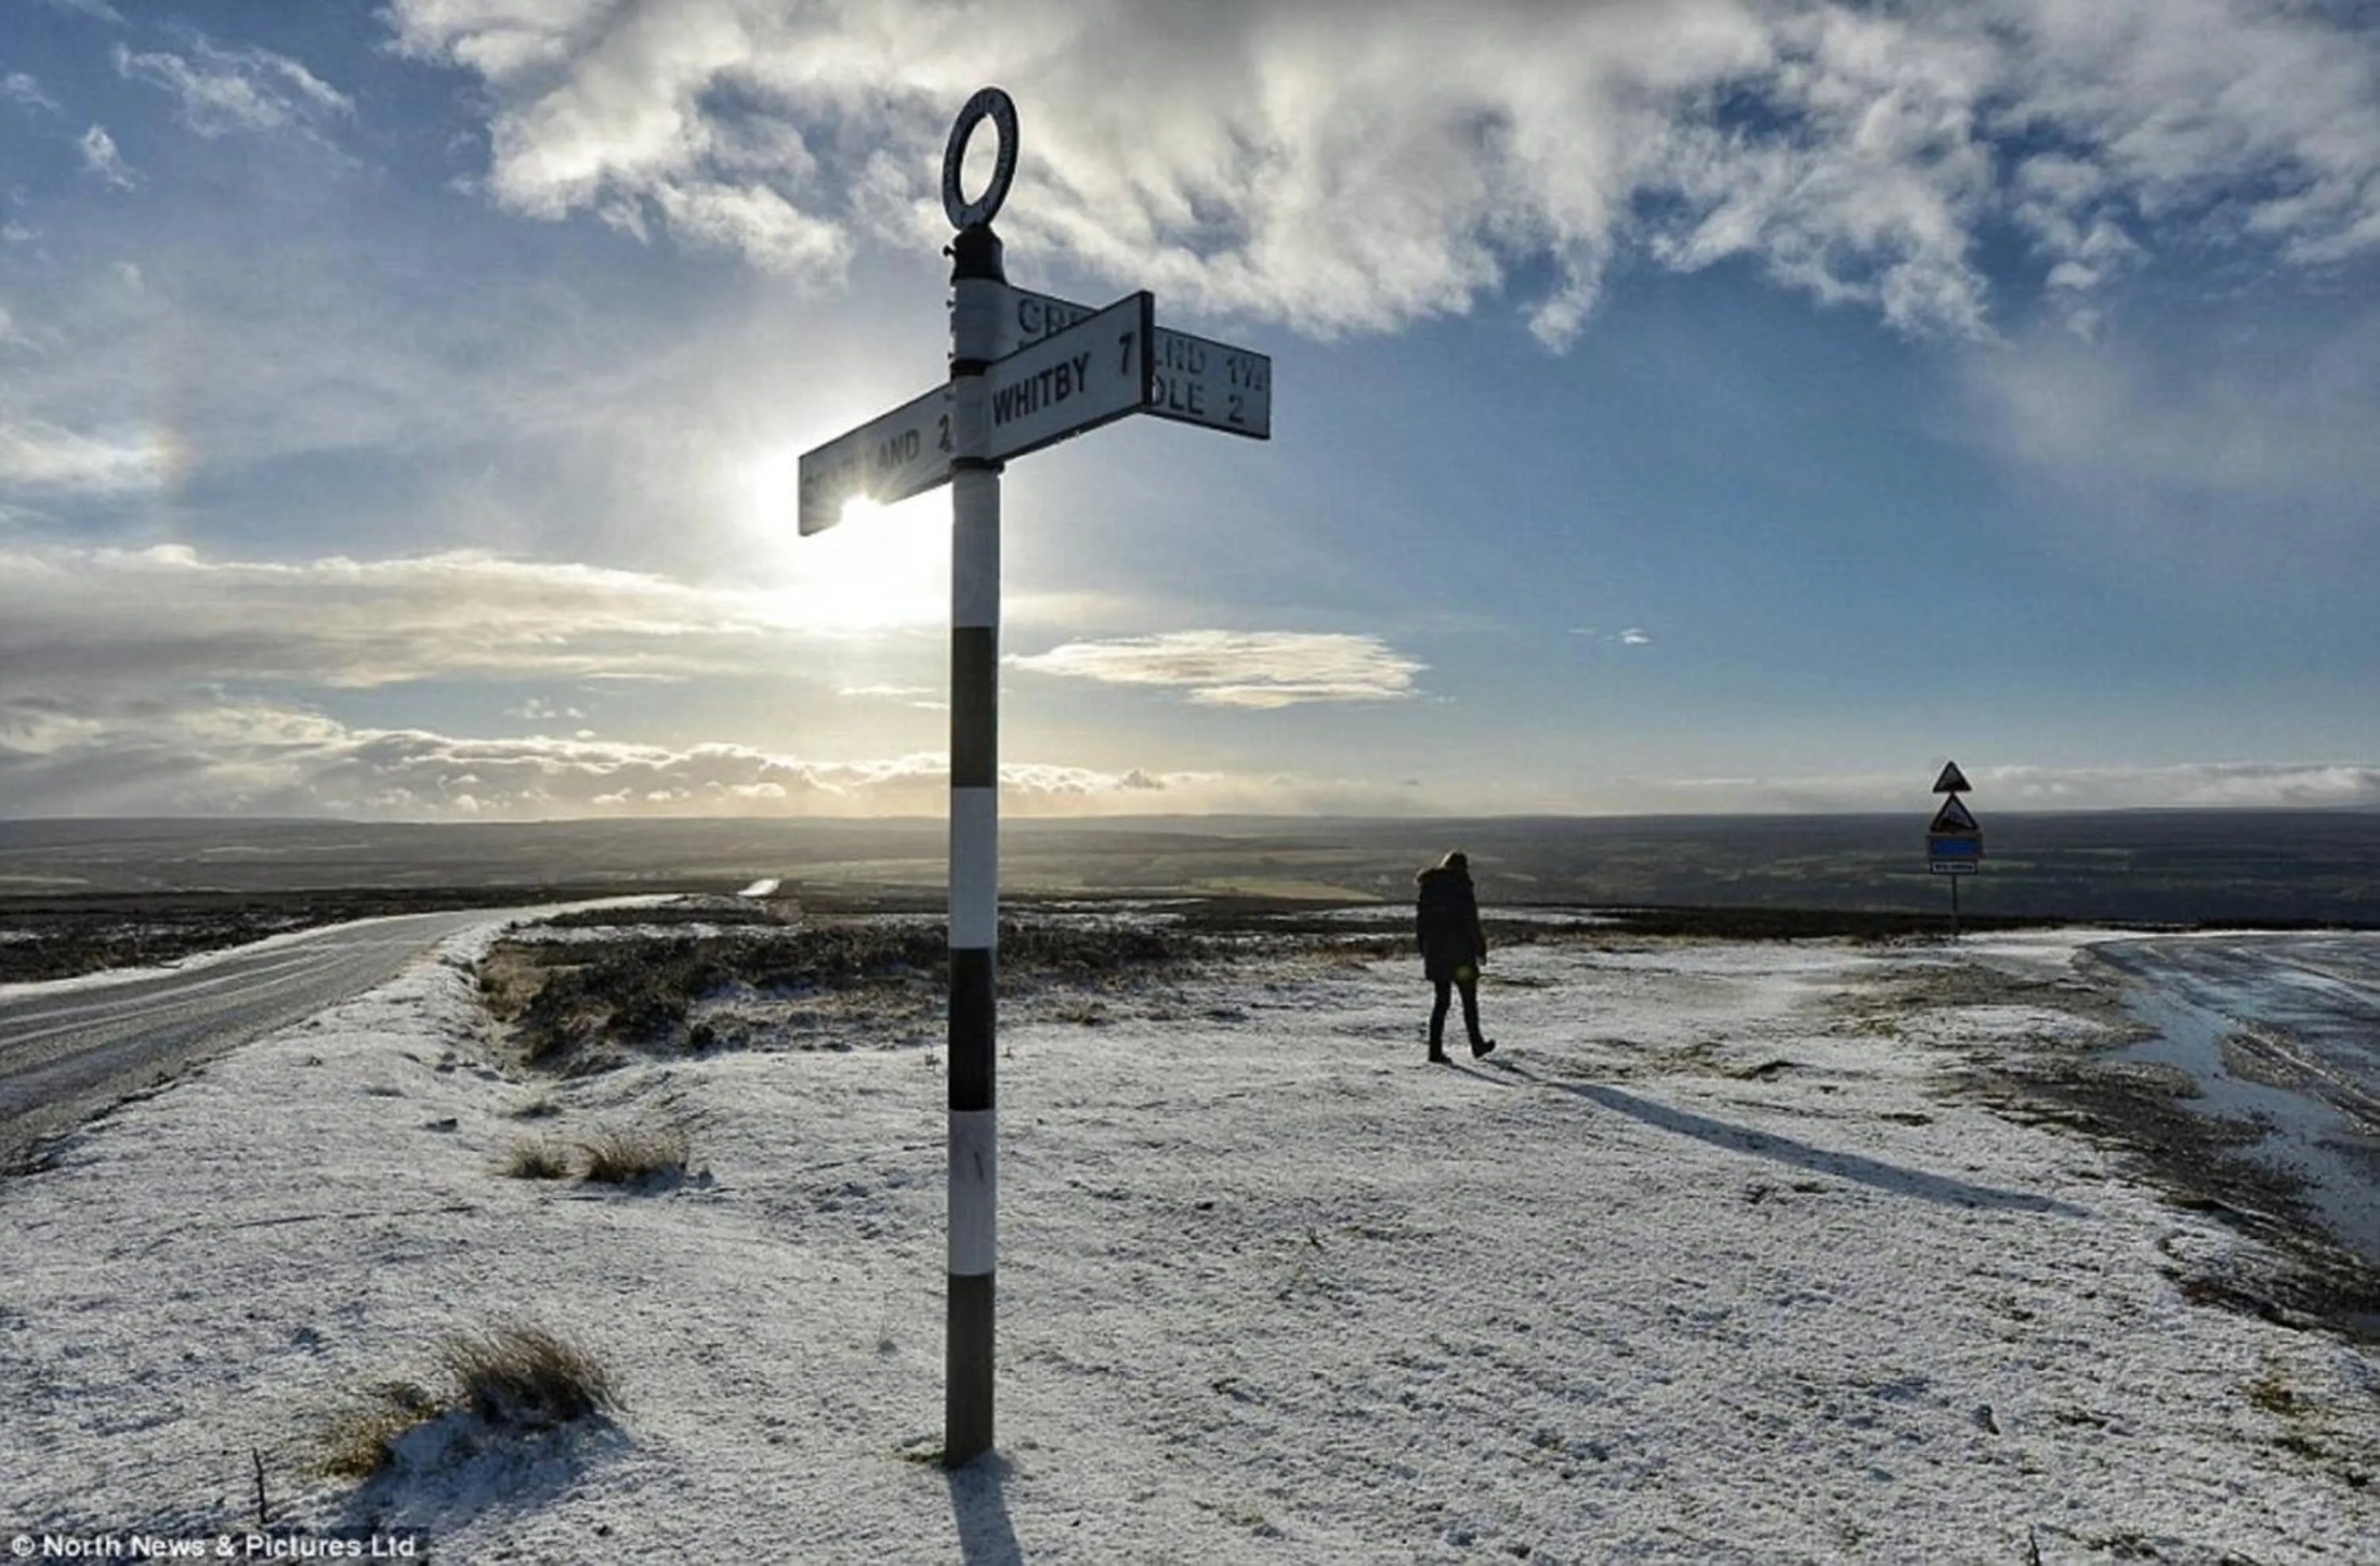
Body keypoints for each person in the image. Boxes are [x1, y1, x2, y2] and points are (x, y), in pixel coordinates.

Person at [1415, 850, 1494, 1062]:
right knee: (1469, 1001)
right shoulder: (1461, 887)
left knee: (1441, 1003)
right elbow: (1471, 922)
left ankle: (1434, 1051)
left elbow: (1421, 923)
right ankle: (1477, 1044)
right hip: (1461, 957)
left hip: (1437, 955)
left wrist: (1424, 949)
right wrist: (1480, 949)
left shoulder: (1429, 887)